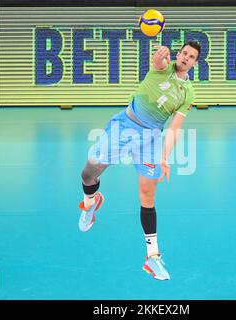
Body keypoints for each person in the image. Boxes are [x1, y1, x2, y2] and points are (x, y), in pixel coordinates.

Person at [78, 40, 201, 281]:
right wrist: (159, 56)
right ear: (178, 53)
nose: (186, 57)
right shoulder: (163, 67)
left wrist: (164, 157)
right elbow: (157, 63)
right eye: (184, 52)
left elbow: (175, 127)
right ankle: (90, 202)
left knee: (147, 195)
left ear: (196, 63)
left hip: (151, 138)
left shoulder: (189, 92)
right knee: (88, 174)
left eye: (192, 56)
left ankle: (152, 258)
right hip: (125, 126)